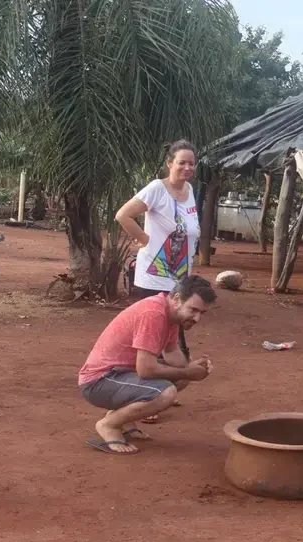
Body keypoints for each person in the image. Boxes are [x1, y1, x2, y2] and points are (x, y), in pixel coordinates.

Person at [78, 276, 217, 455]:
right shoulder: (153, 313)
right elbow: (146, 370)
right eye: (193, 310)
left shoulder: (171, 314)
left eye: (202, 313)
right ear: (176, 299)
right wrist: (189, 372)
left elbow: (171, 351)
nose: (197, 318)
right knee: (166, 393)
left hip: (119, 375)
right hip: (99, 381)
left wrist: (193, 367)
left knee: (181, 377)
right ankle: (109, 425)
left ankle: (125, 421)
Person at [115, 140, 200, 361]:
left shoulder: (189, 190)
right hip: (155, 279)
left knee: (171, 338)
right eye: (182, 163)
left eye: (192, 163)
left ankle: (165, 385)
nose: (188, 168)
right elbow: (123, 215)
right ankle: (149, 387)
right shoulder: (156, 189)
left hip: (180, 278)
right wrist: (145, 240)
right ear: (169, 163)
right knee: (155, 340)